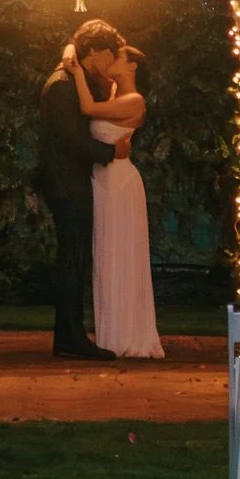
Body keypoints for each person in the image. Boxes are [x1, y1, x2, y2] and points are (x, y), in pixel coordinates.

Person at [64, 37, 165, 360]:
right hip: (102, 179)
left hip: (120, 182)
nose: (111, 62)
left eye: (118, 58)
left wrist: (77, 73)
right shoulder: (112, 91)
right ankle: (109, 332)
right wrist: (73, 51)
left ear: (132, 66)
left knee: (120, 253)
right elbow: (77, 47)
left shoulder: (133, 100)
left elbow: (88, 110)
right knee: (106, 253)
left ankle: (128, 335)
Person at [37, 17, 129, 360]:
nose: (111, 62)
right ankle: (69, 337)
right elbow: (71, 139)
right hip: (66, 183)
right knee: (72, 259)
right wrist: (111, 152)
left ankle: (71, 335)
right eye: (109, 54)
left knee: (74, 258)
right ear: (96, 51)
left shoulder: (71, 79)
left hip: (69, 180)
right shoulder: (62, 85)